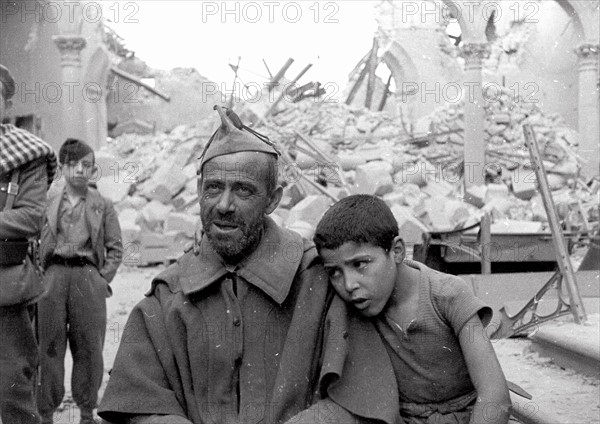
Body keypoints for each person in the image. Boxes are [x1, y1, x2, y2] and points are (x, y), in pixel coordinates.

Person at [98, 106, 400, 424]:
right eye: (213, 188)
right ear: (199, 191)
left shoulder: (318, 280)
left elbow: (360, 400)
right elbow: (139, 406)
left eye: (243, 190)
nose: (224, 205)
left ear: (273, 200)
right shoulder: (166, 296)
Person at [313, 194, 512, 424]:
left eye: (360, 264)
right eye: (334, 272)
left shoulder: (448, 295)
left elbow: (494, 395)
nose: (349, 285)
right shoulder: (357, 305)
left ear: (397, 251)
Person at [37, 138, 123, 424]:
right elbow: (33, 240)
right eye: (72, 164)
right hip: (53, 276)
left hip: (88, 276)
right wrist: (40, 274)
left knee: (89, 346)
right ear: (61, 167)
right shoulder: (47, 200)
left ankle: (87, 413)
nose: (79, 170)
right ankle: (46, 413)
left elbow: (116, 247)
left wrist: (101, 280)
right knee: (48, 346)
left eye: (86, 165)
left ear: (93, 170)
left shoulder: (103, 204)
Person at [1, 63, 57, 424]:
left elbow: (31, 217)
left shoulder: (27, 155)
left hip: (6, 288)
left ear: (5, 105)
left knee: (12, 389)